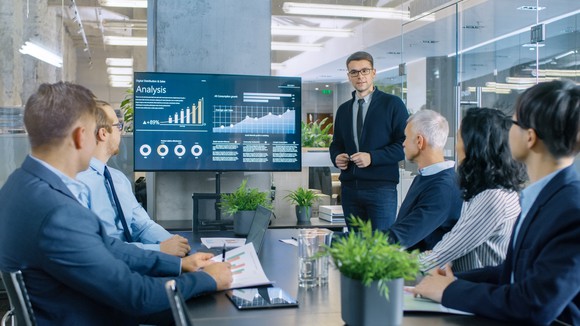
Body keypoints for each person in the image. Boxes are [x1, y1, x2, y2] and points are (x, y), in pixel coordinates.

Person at [0, 82, 232, 325]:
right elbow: (137, 296)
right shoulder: (58, 213)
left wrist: (178, 264)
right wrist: (209, 280)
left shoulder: (18, 186)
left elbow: (106, 245)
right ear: (81, 137)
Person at [412, 80, 580, 324]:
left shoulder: (571, 210)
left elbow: (534, 304)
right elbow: (511, 272)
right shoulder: (543, 195)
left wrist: (448, 291)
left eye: (513, 122)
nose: (506, 130)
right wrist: (454, 281)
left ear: (530, 137)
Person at [419, 108, 527, 272]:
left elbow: (441, 255)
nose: (456, 147)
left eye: (459, 139)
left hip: (477, 291)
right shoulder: (491, 192)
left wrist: (386, 264)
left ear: (475, 147)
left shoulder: (492, 199)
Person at [77, 100, 190, 257]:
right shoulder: (76, 183)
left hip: (137, 261)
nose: (121, 132)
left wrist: (174, 243)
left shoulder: (118, 179)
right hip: (110, 269)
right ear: (103, 133)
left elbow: (142, 225)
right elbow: (96, 248)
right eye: (118, 126)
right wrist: (159, 250)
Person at [329, 51, 409, 231]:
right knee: (356, 248)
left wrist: (372, 157)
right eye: (354, 72)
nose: (360, 76)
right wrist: (337, 156)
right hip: (350, 189)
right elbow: (336, 143)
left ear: (374, 73)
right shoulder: (343, 110)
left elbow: (404, 144)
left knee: (381, 247)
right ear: (348, 76)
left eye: (365, 71)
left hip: (381, 189)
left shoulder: (393, 104)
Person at [387, 110, 462, 251]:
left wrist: (335, 240)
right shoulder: (426, 177)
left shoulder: (443, 188)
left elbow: (400, 238)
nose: (403, 143)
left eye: (406, 137)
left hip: (424, 270)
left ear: (419, 141)